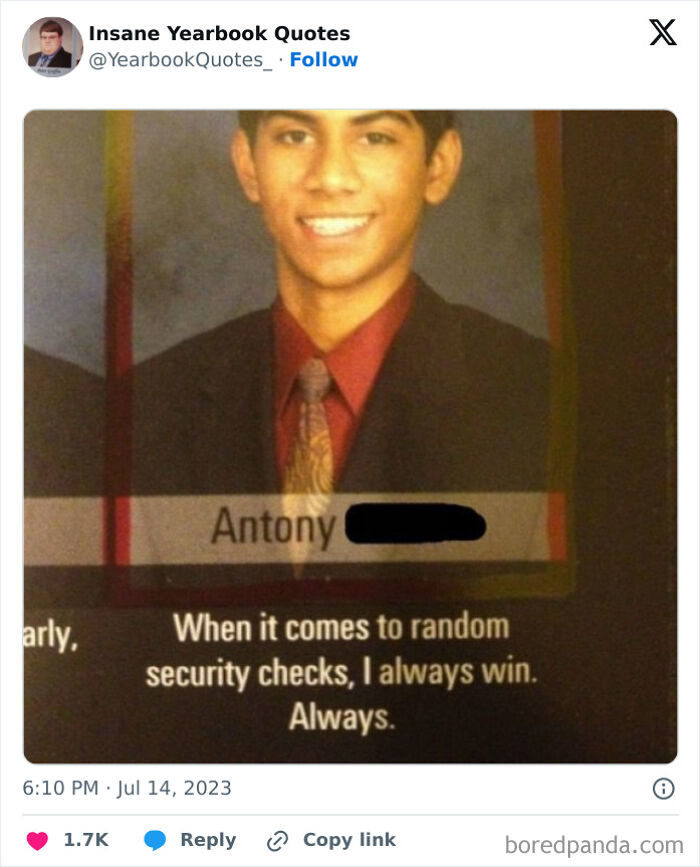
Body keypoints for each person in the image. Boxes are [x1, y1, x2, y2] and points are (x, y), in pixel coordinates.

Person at [129, 111, 550, 500]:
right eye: (295, 136)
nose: (330, 177)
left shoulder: (545, 399)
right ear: (247, 165)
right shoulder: (144, 407)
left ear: (438, 165)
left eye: (375, 137)